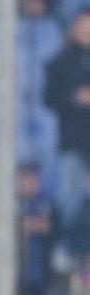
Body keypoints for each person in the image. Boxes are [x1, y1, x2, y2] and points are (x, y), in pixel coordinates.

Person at [45, 10, 90, 267]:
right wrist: (75, 98)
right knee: (68, 200)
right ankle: (66, 248)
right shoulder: (61, 62)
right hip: (72, 143)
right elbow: (49, 98)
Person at [17, 161, 57, 295]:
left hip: (41, 272)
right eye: (25, 180)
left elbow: (51, 228)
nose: (30, 184)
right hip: (15, 272)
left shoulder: (47, 203)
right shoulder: (12, 203)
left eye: (33, 180)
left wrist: (34, 226)